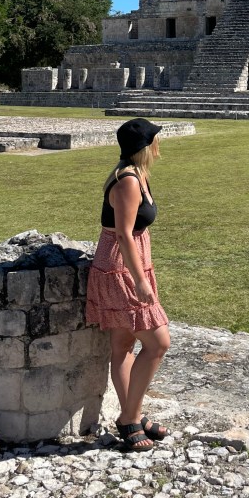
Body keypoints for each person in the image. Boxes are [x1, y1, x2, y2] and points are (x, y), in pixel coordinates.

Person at [86, 117, 171, 452]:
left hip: (132, 263)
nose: (158, 144)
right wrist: (139, 280)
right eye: (154, 139)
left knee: (122, 344)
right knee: (158, 342)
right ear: (144, 147)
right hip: (120, 268)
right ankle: (129, 418)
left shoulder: (138, 175)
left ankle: (131, 415)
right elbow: (122, 235)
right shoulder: (127, 182)